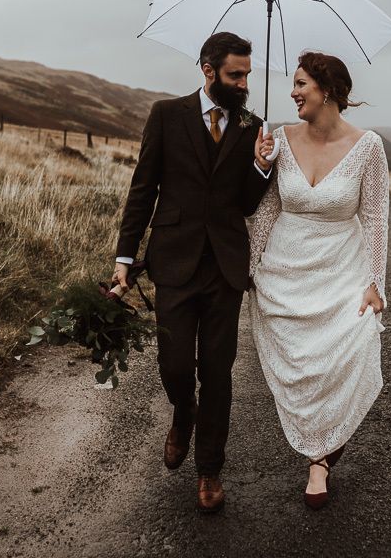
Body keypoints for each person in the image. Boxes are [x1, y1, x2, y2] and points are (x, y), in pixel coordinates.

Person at [113, 32, 275, 513]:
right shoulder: (167, 115)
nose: (244, 83)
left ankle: (209, 469)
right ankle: (182, 412)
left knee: (219, 373)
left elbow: (246, 202)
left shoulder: (253, 124)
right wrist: (125, 259)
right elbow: (143, 188)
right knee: (177, 365)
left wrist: (262, 168)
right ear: (208, 69)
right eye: (235, 75)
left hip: (225, 265)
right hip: (175, 261)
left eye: (247, 74)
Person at [248, 51, 389, 509]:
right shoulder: (279, 139)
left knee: (346, 350)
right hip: (285, 270)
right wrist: (252, 266)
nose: (293, 92)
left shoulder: (369, 147)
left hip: (341, 268)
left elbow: (375, 219)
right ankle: (315, 447)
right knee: (301, 367)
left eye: (301, 84)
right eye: (293, 84)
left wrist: (376, 282)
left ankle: (320, 459)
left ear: (327, 90)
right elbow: (268, 207)